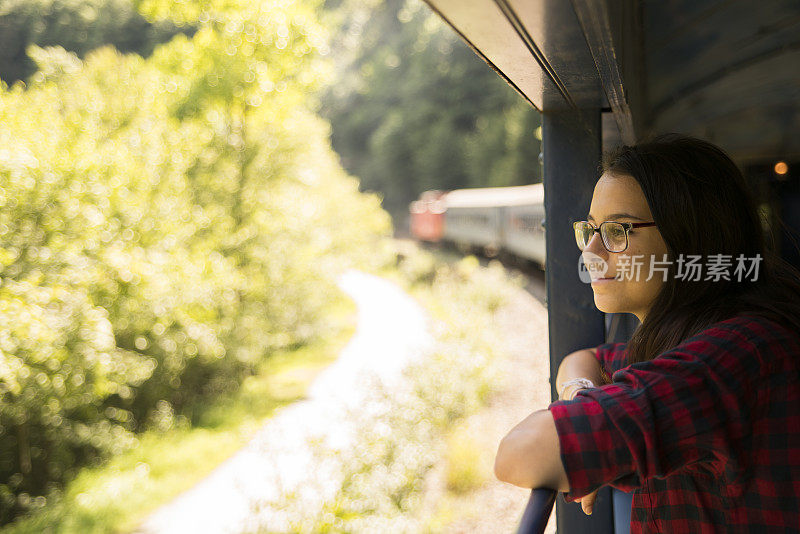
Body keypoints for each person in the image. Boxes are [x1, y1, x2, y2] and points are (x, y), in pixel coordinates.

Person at [494, 134, 800, 533]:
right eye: (590, 230)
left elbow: (518, 454)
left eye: (618, 231)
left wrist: (577, 425)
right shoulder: (694, 335)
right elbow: (583, 360)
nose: (591, 252)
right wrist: (582, 395)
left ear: (690, 236)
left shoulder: (733, 355)